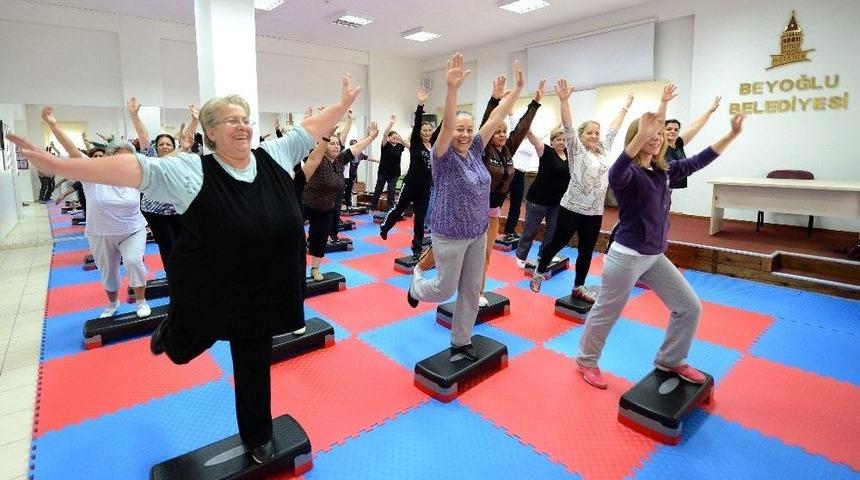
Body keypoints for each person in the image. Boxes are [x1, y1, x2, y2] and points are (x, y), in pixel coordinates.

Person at [7, 75, 361, 464]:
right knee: (191, 340)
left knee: (254, 362)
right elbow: (133, 168)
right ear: (210, 131)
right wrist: (59, 164)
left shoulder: (274, 155)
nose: (243, 126)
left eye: (246, 119)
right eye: (232, 120)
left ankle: (258, 435)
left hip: (265, 285)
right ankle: (174, 331)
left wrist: (342, 104)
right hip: (210, 278)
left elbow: (311, 128)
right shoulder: (191, 171)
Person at [574, 92, 747, 390]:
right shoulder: (628, 175)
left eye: (659, 135)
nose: (656, 139)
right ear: (637, 137)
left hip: (654, 256)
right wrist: (640, 136)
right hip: (626, 257)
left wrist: (731, 134)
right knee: (607, 310)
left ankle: (670, 360)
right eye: (648, 135)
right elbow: (616, 170)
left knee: (689, 307)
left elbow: (699, 160)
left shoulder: (664, 170)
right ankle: (586, 360)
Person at [407, 53, 524, 361]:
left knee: (472, 290)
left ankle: (461, 340)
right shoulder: (441, 156)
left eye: (469, 128)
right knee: (444, 291)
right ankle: (416, 287)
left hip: (478, 232)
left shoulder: (474, 148)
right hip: (449, 233)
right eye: (460, 128)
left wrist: (517, 91)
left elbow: (497, 117)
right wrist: (451, 89)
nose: (465, 133)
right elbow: (445, 129)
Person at [41, 106, 151, 319]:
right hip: (100, 232)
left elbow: (146, 145)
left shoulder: (137, 176)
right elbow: (73, 150)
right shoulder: (92, 175)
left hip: (132, 230)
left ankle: (141, 300)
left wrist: (135, 116)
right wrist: (52, 124)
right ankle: (112, 303)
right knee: (108, 272)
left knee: (133, 261)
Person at [529, 80, 633, 303]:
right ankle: (539, 272)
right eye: (590, 133)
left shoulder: (603, 150)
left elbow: (613, 129)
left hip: (594, 212)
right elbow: (567, 125)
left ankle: (579, 287)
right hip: (572, 208)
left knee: (586, 251)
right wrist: (564, 100)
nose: (594, 136)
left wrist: (624, 109)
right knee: (557, 242)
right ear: (581, 135)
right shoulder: (576, 150)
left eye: (597, 132)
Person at [477, 76, 542, 306]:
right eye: (497, 132)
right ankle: (421, 268)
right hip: (473, 212)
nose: (502, 135)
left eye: (504, 132)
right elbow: (488, 121)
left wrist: (535, 104)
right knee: (448, 253)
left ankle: (478, 292)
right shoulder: (482, 150)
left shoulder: (507, 151)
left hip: (492, 213)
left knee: (485, 256)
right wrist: (495, 100)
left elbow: (521, 129)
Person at [128, 100, 199, 269]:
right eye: (161, 144)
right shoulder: (150, 157)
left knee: (185, 244)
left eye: (168, 144)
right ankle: (173, 277)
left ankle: (187, 274)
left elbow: (187, 140)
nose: (165, 146)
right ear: (155, 147)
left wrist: (195, 120)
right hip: (155, 211)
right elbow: (144, 136)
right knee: (168, 246)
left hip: (178, 209)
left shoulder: (179, 157)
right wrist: (134, 115)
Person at [304, 122, 378, 281]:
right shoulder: (317, 158)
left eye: (338, 144)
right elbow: (313, 143)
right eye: (332, 144)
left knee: (321, 238)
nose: (336, 147)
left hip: (326, 207)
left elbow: (355, 149)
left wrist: (371, 137)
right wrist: (323, 132)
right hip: (306, 203)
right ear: (324, 146)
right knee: (293, 236)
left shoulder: (340, 159)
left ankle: (315, 268)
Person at [379, 86, 436, 258]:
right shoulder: (416, 145)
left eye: (429, 130)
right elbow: (418, 121)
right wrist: (420, 104)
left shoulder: (434, 148)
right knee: (399, 210)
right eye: (424, 130)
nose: (426, 132)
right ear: (419, 133)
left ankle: (417, 249)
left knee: (420, 219)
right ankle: (385, 226)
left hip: (425, 188)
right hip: (410, 184)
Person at [514, 127, 570, 268]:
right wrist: (527, 121)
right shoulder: (545, 150)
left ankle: (543, 255)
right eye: (558, 140)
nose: (561, 142)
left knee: (553, 230)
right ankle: (521, 255)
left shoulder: (569, 155)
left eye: (564, 140)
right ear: (552, 141)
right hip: (538, 200)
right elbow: (531, 135)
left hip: (557, 202)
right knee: (530, 229)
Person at [664, 96, 721, 189]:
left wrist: (710, 111)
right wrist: (664, 102)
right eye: (669, 129)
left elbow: (694, 127)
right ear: (662, 131)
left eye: (676, 129)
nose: (672, 131)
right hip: (657, 186)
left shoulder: (678, 143)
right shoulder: (659, 145)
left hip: (669, 188)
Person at [370, 115, 408, 212]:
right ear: (389, 138)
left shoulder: (400, 146)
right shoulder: (385, 145)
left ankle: (389, 209)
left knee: (391, 191)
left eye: (396, 137)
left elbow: (408, 141)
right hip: (383, 172)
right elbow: (385, 134)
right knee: (378, 189)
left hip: (394, 173)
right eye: (393, 137)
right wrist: (391, 123)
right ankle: (371, 208)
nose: (395, 139)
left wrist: (412, 129)